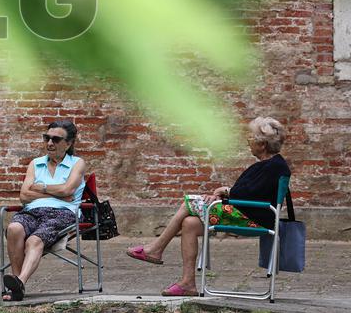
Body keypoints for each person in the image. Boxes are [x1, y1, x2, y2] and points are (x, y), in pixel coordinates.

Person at [125, 116, 291, 297]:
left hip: (252, 219)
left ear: (262, 144)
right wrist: (223, 193)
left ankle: (156, 249)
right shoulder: (269, 165)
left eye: (251, 138)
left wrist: (225, 192)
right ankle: (187, 283)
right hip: (244, 213)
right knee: (189, 223)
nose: (248, 141)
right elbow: (249, 191)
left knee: (189, 202)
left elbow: (248, 194)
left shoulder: (274, 167)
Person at [2, 120, 86, 302]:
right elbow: (24, 196)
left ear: (69, 143)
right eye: (47, 138)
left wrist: (41, 187)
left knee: (34, 239)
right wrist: (58, 192)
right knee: (14, 228)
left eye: (56, 139)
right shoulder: (35, 163)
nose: (49, 143)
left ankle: (20, 281)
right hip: (32, 210)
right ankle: (17, 285)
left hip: (63, 213)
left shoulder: (77, 163)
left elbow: (68, 191)